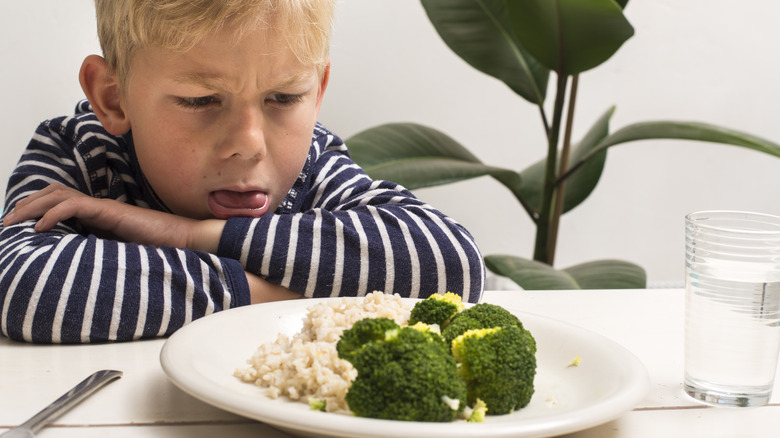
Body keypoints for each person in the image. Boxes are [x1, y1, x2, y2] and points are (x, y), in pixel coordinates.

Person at [0, 0, 485, 344]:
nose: (249, 145)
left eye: (283, 98)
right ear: (112, 97)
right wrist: (280, 291)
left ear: (317, 92)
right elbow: (22, 284)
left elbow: (452, 262)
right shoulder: (80, 153)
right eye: (201, 100)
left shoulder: (312, 166)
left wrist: (190, 236)